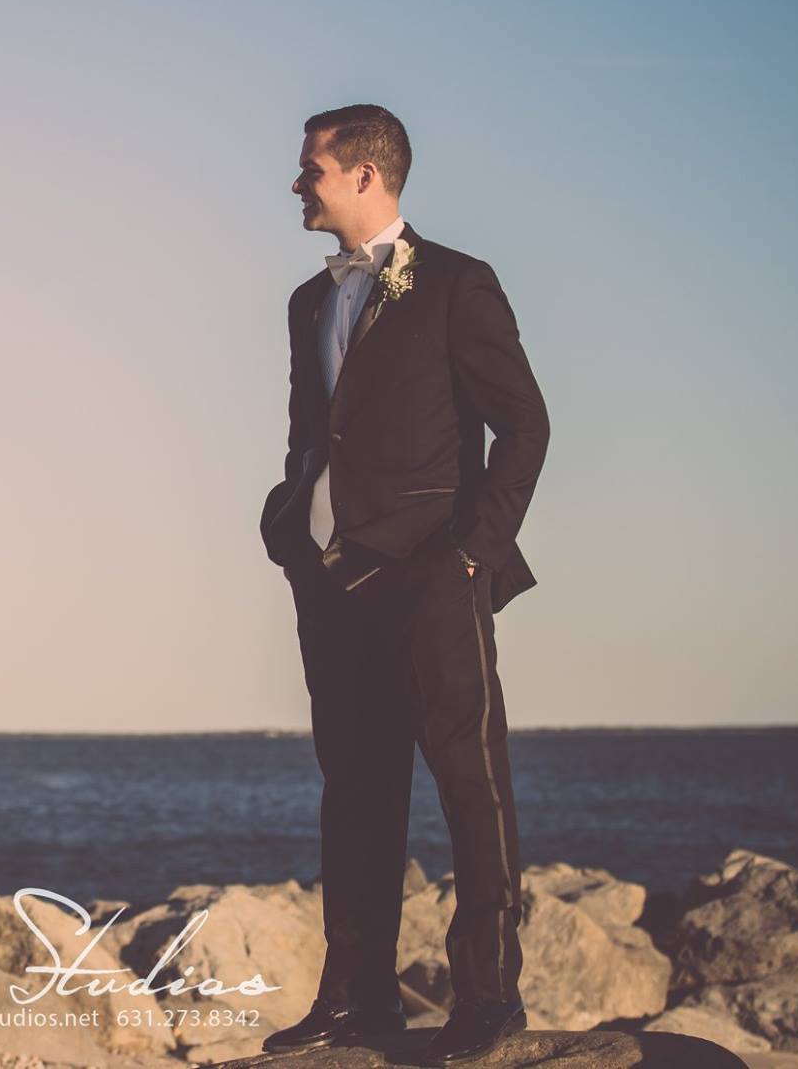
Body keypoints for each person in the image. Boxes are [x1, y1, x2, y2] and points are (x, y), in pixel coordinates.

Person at [257, 105, 550, 1063]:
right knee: (356, 789)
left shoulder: (459, 284)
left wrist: (471, 553)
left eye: (312, 170)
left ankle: (489, 996)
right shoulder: (308, 301)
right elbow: (314, 433)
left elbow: (527, 424)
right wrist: (287, 515)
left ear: (366, 176)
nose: (298, 185)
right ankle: (358, 999)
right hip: (332, 583)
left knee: (470, 778)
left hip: (434, 576)